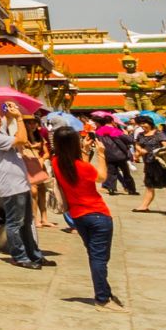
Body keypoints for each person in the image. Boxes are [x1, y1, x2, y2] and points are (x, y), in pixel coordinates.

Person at [47, 126, 125, 312]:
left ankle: (104, 290)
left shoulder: (56, 162)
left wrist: (84, 151)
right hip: (97, 214)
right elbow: (102, 177)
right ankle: (102, 298)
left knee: (95, 255)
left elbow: (74, 164)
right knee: (99, 258)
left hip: (78, 216)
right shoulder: (83, 167)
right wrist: (101, 154)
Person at [0, 102, 51, 269]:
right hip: (11, 186)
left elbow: (6, 118)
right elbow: (21, 139)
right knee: (15, 223)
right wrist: (19, 119)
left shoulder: (0, 131)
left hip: (21, 184)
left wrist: (8, 108)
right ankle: (19, 256)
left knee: (27, 222)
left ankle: (34, 254)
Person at [131, 115, 166, 215]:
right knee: (149, 185)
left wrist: (151, 151)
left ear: (150, 123)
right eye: (141, 124)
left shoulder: (159, 134)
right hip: (149, 163)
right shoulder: (141, 135)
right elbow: (137, 145)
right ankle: (144, 206)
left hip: (162, 163)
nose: (142, 126)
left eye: (144, 123)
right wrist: (139, 151)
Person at [97, 120, 135, 195]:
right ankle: (130, 189)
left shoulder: (98, 131)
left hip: (108, 155)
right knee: (126, 172)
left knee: (111, 172)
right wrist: (128, 134)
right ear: (112, 122)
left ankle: (111, 188)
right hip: (120, 155)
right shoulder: (114, 130)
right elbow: (129, 140)